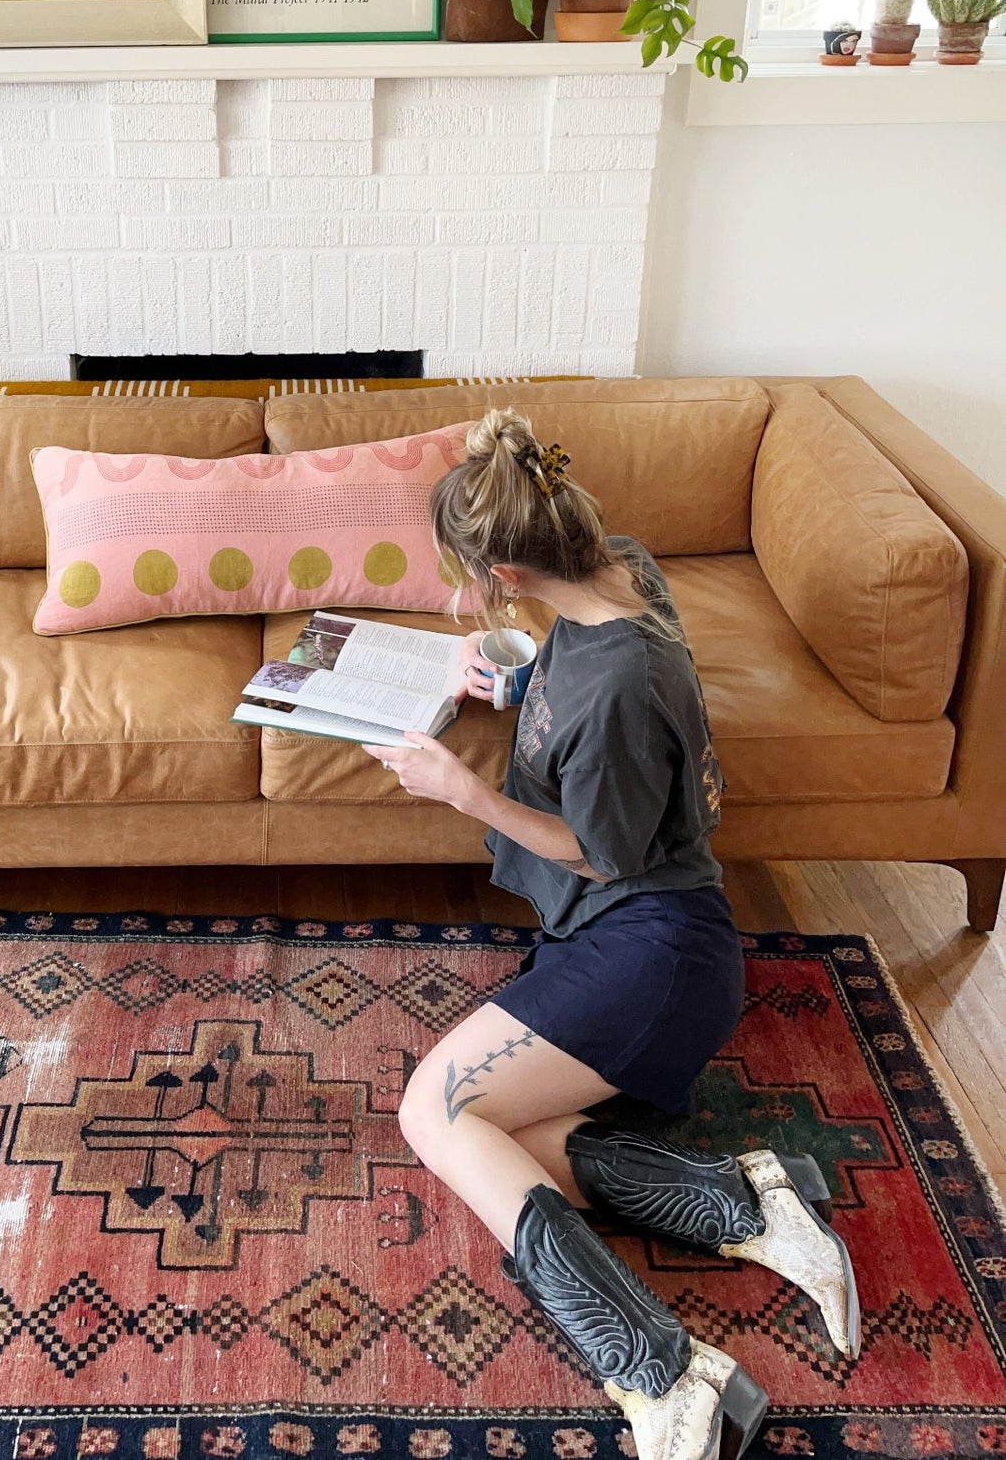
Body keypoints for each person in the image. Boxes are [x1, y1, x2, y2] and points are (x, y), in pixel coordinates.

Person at [362, 410, 858, 1460]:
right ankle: (744, 1203)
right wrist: (510, 680)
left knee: (433, 1111)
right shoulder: (618, 571)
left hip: (653, 950)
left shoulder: (620, 685)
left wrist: (462, 792)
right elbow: (580, 692)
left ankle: (662, 1370)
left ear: (500, 566)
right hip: (626, 942)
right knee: (500, 1140)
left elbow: (601, 851)